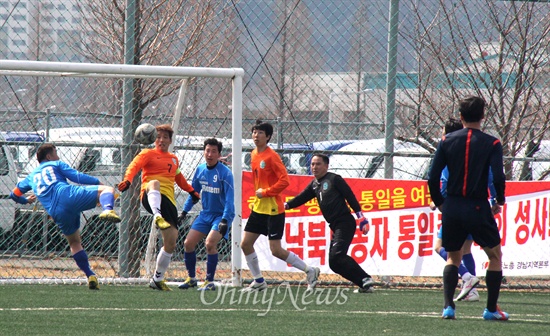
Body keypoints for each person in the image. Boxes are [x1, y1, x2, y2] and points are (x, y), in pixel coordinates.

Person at [428, 96, 508, 321]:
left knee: (453, 257)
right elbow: (499, 176)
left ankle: (448, 308)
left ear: (461, 116)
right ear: (483, 117)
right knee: (494, 256)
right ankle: (491, 310)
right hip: (477, 206)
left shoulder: (446, 141)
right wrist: (499, 200)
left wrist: (441, 202)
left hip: (452, 206)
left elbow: (432, 177)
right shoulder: (492, 143)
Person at [10, 143, 121, 290]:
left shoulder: (30, 177)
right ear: (49, 156)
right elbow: (77, 177)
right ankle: (107, 209)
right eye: (56, 153)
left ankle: (90, 275)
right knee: (108, 190)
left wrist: (25, 200)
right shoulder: (56, 164)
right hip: (67, 195)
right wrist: (97, 183)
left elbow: (14, 194)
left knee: (74, 242)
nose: (58, 156)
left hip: (56, 212)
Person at [118, 124, 200, 291]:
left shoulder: (173, 159)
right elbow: (133, 166)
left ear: (170, 140)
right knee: (154, 182)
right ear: (154, 139)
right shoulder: (147, 153)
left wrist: (192, 191)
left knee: (171, 241)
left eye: (165, 137)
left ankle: (157, 279)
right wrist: (128, 180)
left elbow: (179, 178)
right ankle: (156, 215)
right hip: (150, 195)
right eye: (158, 137)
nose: (161, 140)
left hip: (168, 201)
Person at [240, 120, 319, 292]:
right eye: (254, 132)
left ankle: (310, 271)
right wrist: (258, 195)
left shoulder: (272, 156)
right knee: (245, 244)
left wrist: (266, 192)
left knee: (275, 250)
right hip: (258, 208)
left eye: (261, 132)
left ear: (267, 137)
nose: (256, 135)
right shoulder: (253, 154)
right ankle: (259, 281)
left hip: (274, 210)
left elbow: (285, 180)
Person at [285, 154, 374, 293]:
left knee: (337, 255)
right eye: (312, 164)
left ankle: (365, 278)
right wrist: (286, 205)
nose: (314, 167)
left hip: (345, 222)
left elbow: (349, 196)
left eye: (318, 164)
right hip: (335, 225)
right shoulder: (314, 184)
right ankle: (363, 283)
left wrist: (361, 217)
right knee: (334, 263)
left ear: (326, 166)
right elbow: (301, 198)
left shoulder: (334, 179)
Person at [177, 138, 235, 291]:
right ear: (204, 152)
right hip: (205, 215)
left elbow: (230, 200)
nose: (210, 154)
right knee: (188, 244)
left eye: (213, 151)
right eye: (207, 150)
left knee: (210, 244)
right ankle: (191, 278)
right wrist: (184, 212)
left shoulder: (225, 174)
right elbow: (194, 194)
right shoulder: (200, 170)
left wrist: (224, 220)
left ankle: (209, 281)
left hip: (221, 216)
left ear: (219, 154)